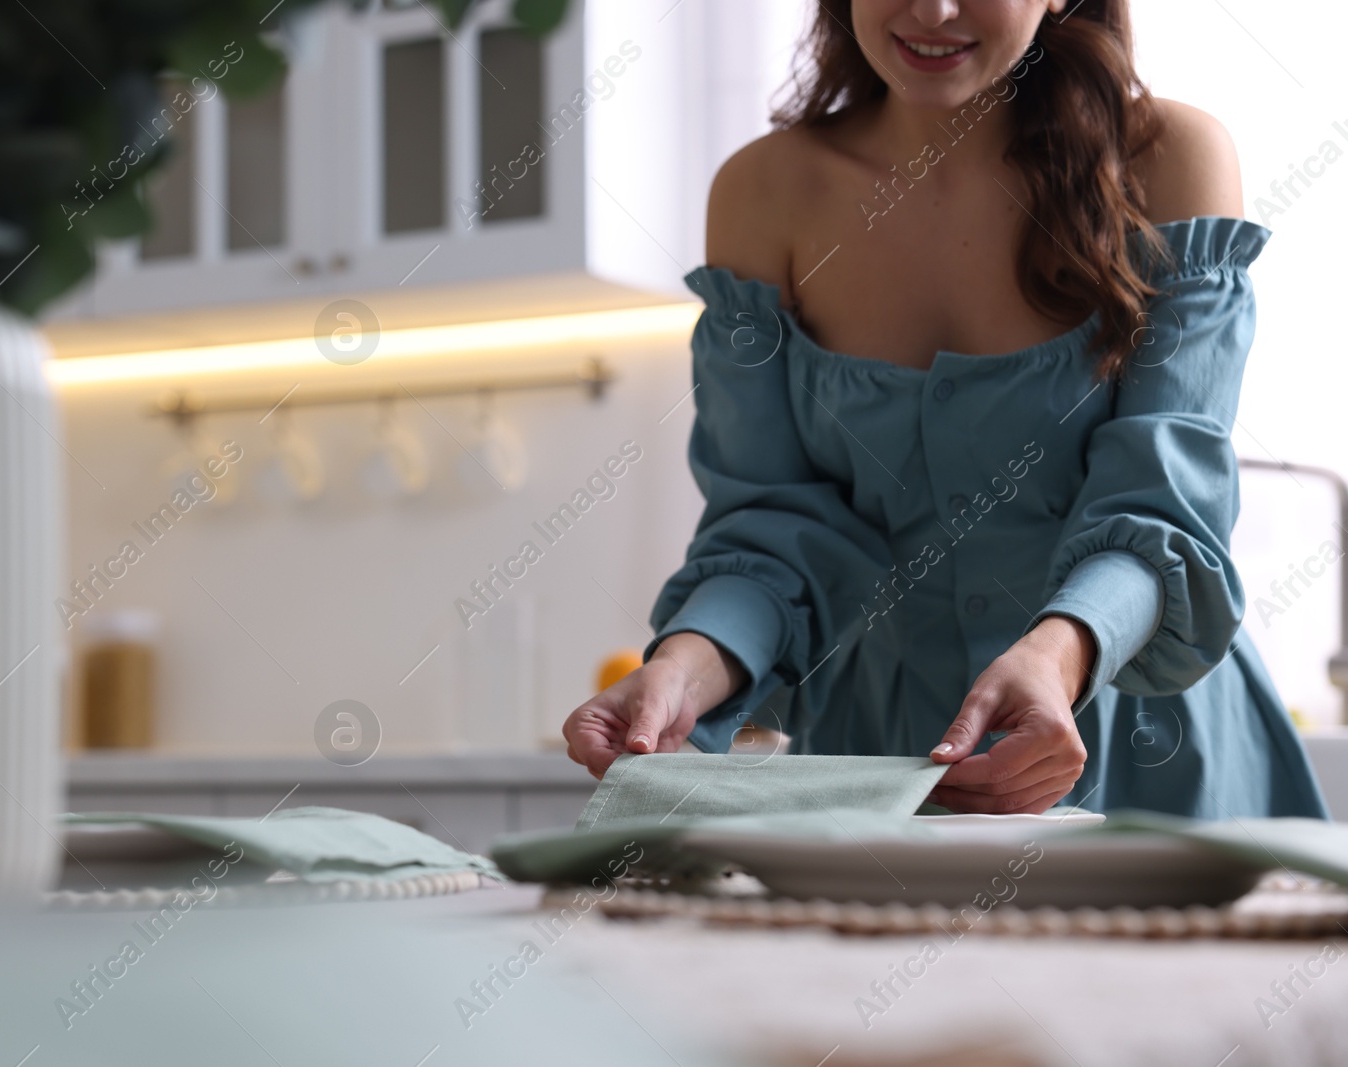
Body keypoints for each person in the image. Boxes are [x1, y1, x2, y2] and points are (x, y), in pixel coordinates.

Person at [561, 0, 1328, 819]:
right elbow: (770, 530)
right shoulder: (763, 195)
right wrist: (684, 665)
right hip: (883, 771)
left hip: (1148, 753)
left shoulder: (1169, 161)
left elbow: (1163, 507)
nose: (933, 9)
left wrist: (1056, 657)